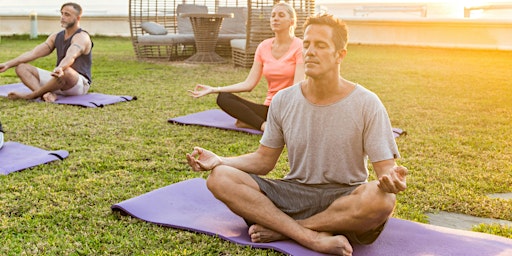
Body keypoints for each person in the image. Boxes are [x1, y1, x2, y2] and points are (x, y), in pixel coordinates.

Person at [186, 13, 408, 256]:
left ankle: (287, 230)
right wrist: (220, 160)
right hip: (293, 194)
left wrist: (391, 179)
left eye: (321, 45)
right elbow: (263, 161)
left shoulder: (367, 103)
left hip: (344, 197)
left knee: (383, 200)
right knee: (220, 178)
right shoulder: (283, 100)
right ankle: (311, 237)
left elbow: (385, 170)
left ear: (340, 55)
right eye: (307, 44)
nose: (310, 51)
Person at [188, 2, 305, 131]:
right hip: (269, 109)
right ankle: (265, 126)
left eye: (281, 15)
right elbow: (249, 84)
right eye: (273, 15)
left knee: (244, 121)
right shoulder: (263, 46)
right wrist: (214, 89)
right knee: (223, 97)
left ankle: (259, 123)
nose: (275, 18)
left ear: (292, 21)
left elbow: (296, 89)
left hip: (289, 108)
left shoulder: (300, 47)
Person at [0, 2, 93, 103]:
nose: (62, 17)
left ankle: (31, 95)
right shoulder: (56, 36)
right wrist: (7, 64)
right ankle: (46, 94)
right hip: (58, 80)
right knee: (21, 67)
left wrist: (61, 68)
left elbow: (71, 55)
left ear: (78, 18)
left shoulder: (82, 37)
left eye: (67, 14)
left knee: (67, 71)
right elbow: (33, 53)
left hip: (76, 84)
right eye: (62, 13)